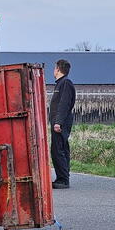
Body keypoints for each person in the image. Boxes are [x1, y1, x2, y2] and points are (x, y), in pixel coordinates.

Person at [50, 59, 76, 189]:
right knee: (61, 149)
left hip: (61, 122)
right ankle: (63, 177)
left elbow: (64, 104)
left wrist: (58, 122)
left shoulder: (65, 83)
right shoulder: (60, 83)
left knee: (58, 150)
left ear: (58, 69)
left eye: (54, 68)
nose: (53, 71)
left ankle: (63, 179)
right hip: (59, 122)